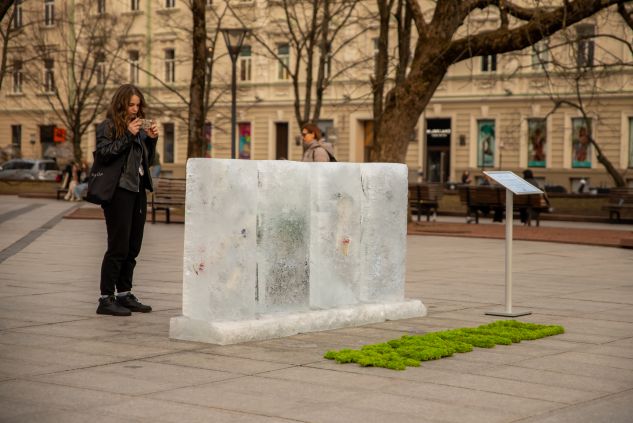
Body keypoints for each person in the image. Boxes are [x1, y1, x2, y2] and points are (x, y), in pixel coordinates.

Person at [94, 84, 158, 316]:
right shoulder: (108, 127)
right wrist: (128, 135)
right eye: (131, 104)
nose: (135, 109)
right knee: (118, 246)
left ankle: (124, 293)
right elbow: (104, 154)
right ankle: (105, 298)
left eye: (138, 105)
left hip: (137, 189)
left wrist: (151, 140)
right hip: (118, 191)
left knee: (133, 245)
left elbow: (148, 162)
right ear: (120, 104)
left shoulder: (139, 129)